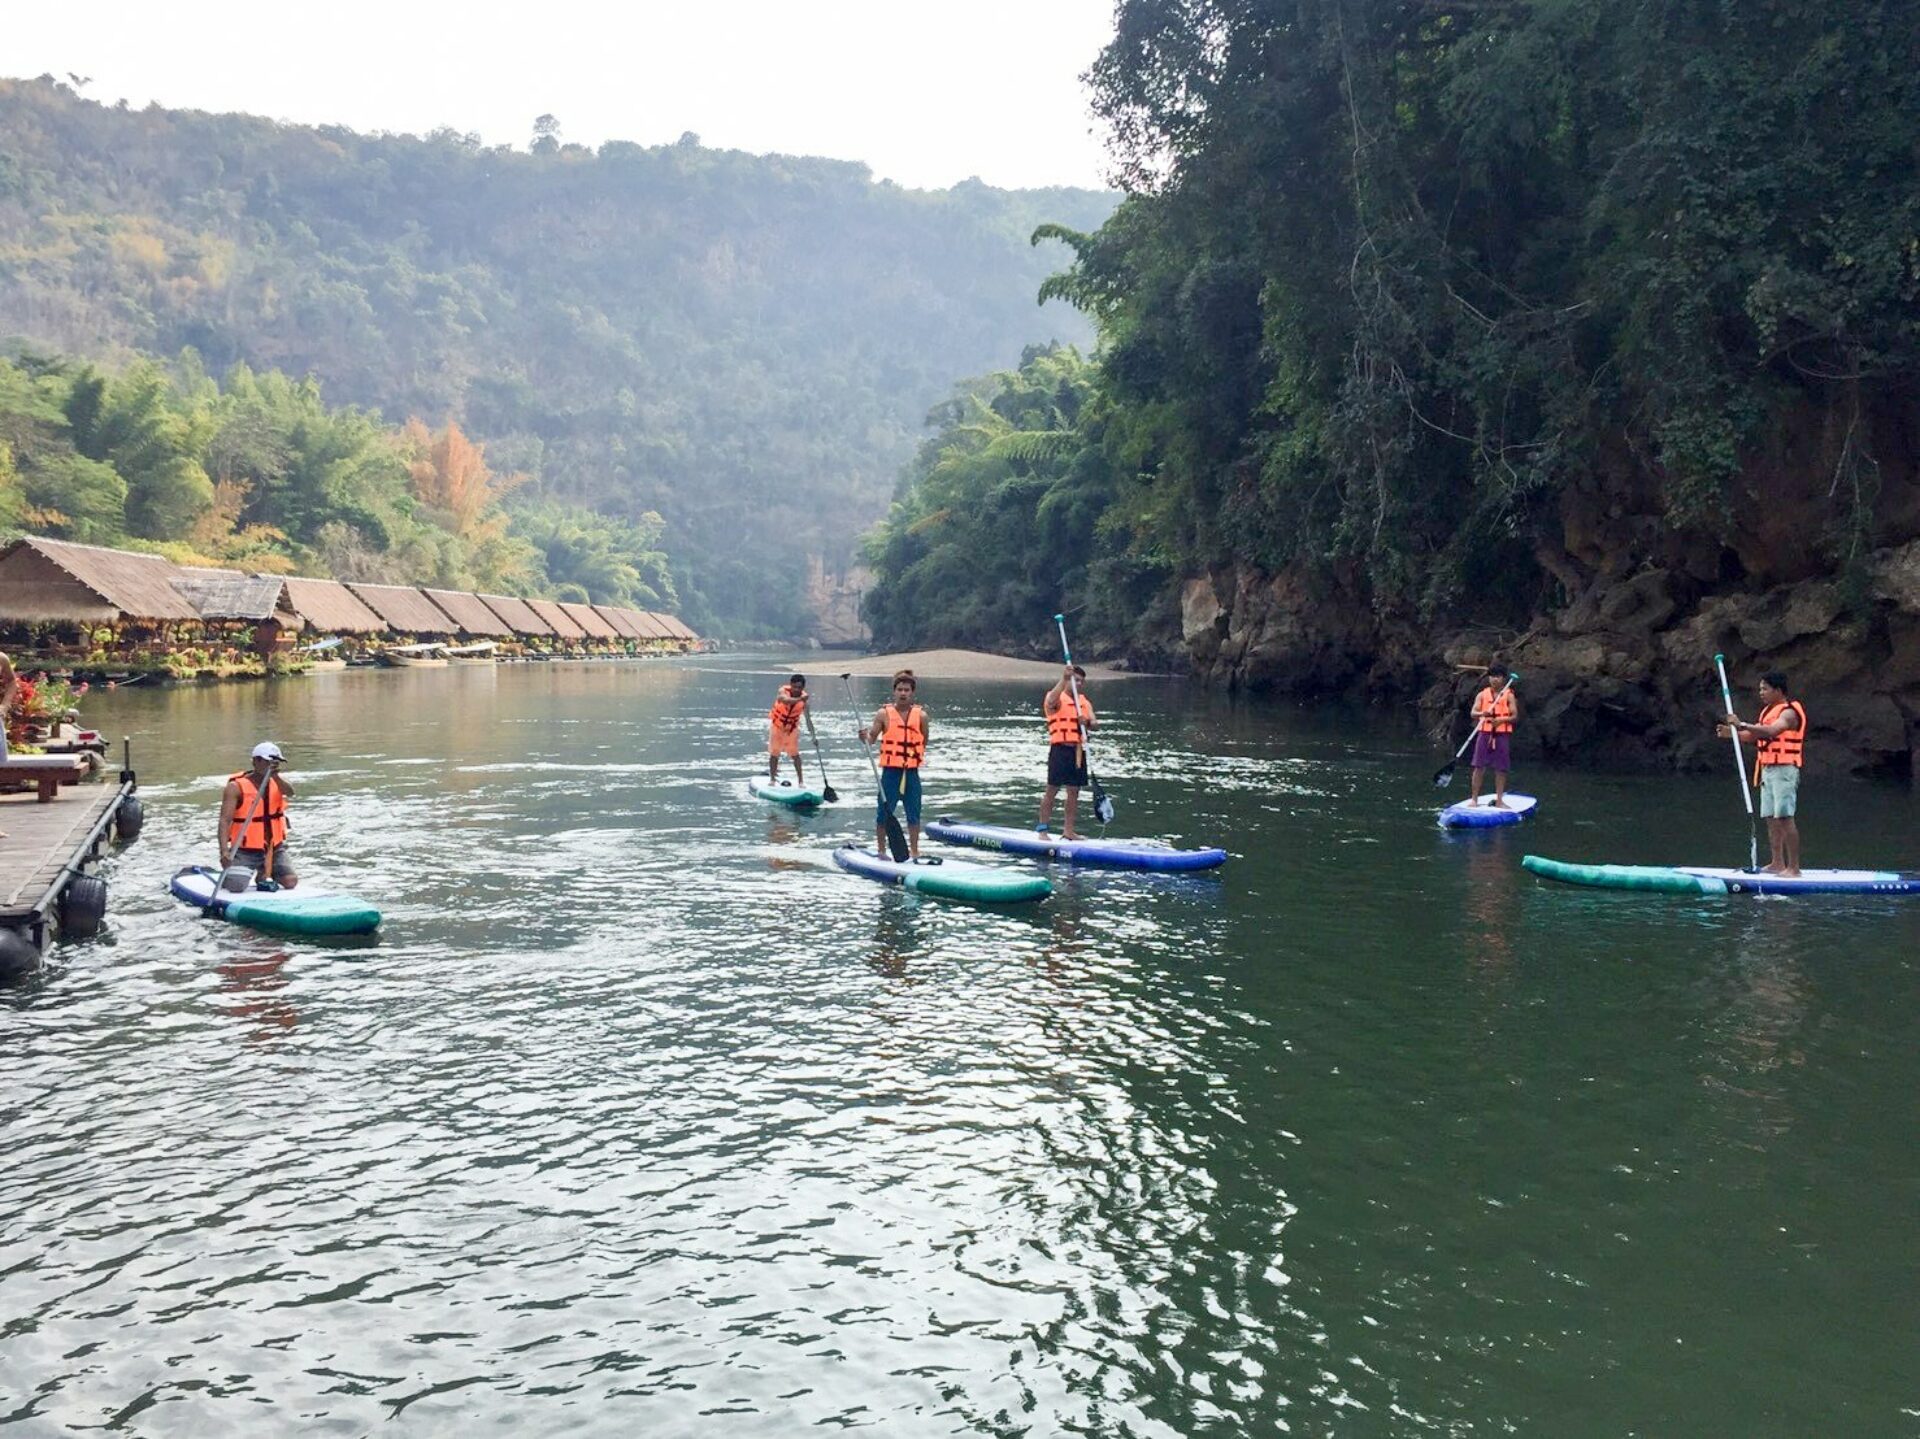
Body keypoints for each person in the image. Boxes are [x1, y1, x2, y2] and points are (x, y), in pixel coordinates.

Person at [1719, 671, 1805, 876]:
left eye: (1765, 688)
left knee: (1784, 816)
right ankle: (1777, 862)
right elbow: (1754, 736)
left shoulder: (1789, 712)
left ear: (1778, 690)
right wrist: (1733, 734)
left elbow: (1772, 731)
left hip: (1785, 769)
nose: (1761, 692)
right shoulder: (1767, 711)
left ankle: (1794, 868)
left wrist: (1741, 724)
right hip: (1767, 769)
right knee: (1770, 817)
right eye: (1760, 689)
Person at [860, 670, 928, 859]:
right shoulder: (883, 714)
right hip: (891, 773)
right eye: (900, 689)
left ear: (912, 692)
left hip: (911, 773)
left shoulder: (921, 716)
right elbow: (872, 738)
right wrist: (864, 737)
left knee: (914, 814)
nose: (903, 693)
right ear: (894, 692)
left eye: (906, 690)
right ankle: (881, 850)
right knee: (883, 813)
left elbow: (924, 742)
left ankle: (914, 851)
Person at [218, 742, 299, 889]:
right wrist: (224, 851)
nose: (272, 766)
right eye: (268, 762)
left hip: (274, 846)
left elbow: (291, 792)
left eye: (276, 763)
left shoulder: (278, 782)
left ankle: (265, 872)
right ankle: (232, 873)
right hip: (246, 848)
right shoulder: (235, 787)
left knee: (290, 881)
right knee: (235, 886)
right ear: (256, 761)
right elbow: (224, 820)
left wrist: (275, 776)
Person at [1037, 664, 1095, 839]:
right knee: (1052, 789)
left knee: (1073, 792)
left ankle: (1068, 831)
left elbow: (1095, 723)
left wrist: (1087, 722)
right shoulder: (1056, 697)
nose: (1078, 684)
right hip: (1060, 750)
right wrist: (1063, 678)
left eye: (1081, 681)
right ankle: (1043, 831)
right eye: (1075, 680)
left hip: (1077, 751)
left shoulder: (1084, 702)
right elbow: (1051, 702)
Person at [1468, 665, 1519, 808]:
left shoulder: (1509, 695)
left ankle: (1499, 800)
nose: (1494, 679)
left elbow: (1514, 716)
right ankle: (1474, 799)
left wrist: (1502, 720)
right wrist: (1481, 714)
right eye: (1492, 676)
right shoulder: (1482, 695)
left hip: (1501, 734)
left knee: (1501, 768)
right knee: (1478, 766)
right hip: (1484, 733)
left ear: (1503, 678)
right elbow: (1473, 712)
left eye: (1498, 676)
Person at [767, 674, 808, 785]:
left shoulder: (804, 699)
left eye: (799, 688)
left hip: (791, 729)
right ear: (791, 685)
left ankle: (801, 781)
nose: (796, 690)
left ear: (802, 688)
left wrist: (813, 736)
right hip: (777, 727)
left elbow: (808, 719)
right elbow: (785, 700)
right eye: (794, 687)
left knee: (795, 754)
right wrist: (800, 699)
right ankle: (772, 779)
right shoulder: (783, 691)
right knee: (774, 753)